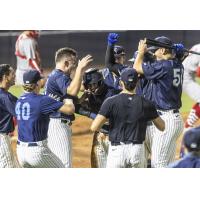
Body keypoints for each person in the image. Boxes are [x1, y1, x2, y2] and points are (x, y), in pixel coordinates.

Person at [90, 68, 165, 168]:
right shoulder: (146, 103)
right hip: (137, 150)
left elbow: (94, 127)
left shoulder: (110, 102)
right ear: (137, 83)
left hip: (117, 151)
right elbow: (162, 127)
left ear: (121, 83)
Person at [133, 36, 184, 168]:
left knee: (158, 163)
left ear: (162, 50)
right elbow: (175, 59)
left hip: (166, 119)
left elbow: (137, 68)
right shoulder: (178, 64)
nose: (153, 53)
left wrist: (140, 52)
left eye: (155, 50)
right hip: (174, 119)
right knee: (169, 164)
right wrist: (179, 54)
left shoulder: (164, 66)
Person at [44, 47, 93, 167]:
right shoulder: (59, 76)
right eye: (74, 63)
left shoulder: (56, 76)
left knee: (57, 164)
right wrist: (80, 70)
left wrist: (81, 99)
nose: (74, 67)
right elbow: (71, 91)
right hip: (58, 124)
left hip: (54, 124)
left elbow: (68, 98)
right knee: (65, 164)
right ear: (66, 63)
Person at [15, 70, 75, 168]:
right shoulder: (42, 100)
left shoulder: (19, 100)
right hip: (37, 152)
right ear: (37, 83)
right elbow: (70, 109)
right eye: (40, 80)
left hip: (20, 152)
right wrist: (67, 97)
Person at [77, 68, 120, 168]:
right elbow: (74, 107)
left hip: (115, 136)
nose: (91, 88)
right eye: (89, 85)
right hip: (100, 135)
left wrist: (92, 115)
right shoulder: (90, 94)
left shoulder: (112, 94)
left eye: (94, 84)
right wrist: (83, 98)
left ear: (100, 82)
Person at [0, 64, 18, 168]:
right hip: (2, 140)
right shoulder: (5, 97)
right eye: (12, 74)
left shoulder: (5, 95)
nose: (15, 76)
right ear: (5, 77)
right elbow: (22, 113)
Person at [181, 44, 200, 129]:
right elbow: (199, 72)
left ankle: (188, 124)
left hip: (186, 73)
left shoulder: (198, 46)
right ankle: (188, 126)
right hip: (185, 77)